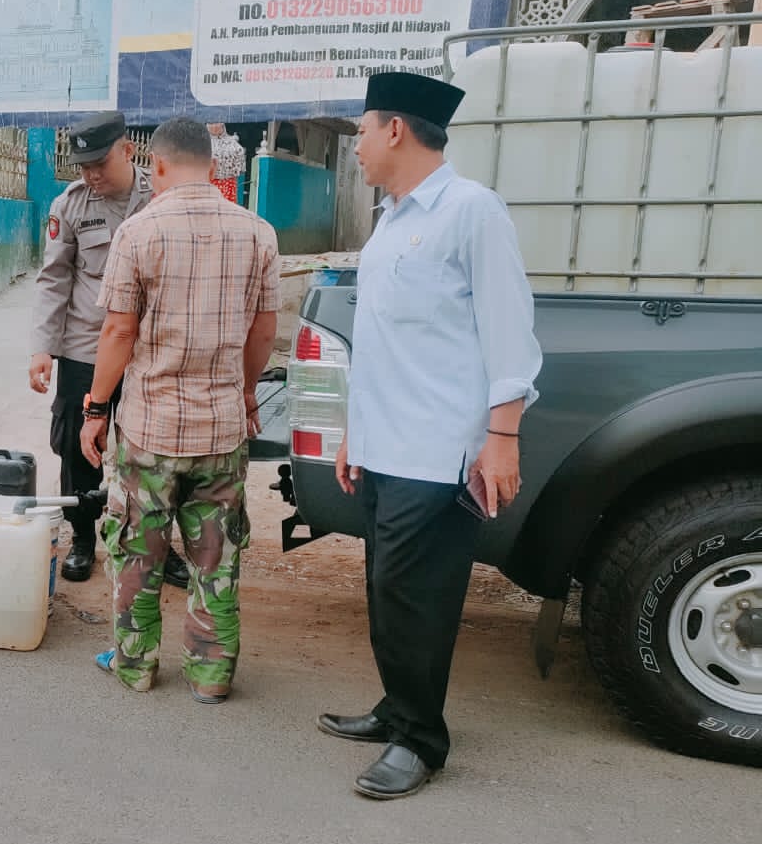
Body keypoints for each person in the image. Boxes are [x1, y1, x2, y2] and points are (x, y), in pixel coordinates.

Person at [320, 71, 543, 800]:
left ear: (395, 130)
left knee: (419, 599)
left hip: (438, 451)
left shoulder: (471, 211)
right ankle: (397, 708)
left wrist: (502, 437)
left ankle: (420, 741)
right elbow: (385, 342)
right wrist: (354, 434)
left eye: (361, 131)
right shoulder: (389, 219)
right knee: (386, 590)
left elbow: (510, 336)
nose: (357, 146)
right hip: (384, 445)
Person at [78, 117, 280, 702]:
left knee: (138, 551)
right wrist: (246, 391)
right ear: (212, 166)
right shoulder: (257, 233)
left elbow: (118, 331)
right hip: (222, 431)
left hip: (150, 430)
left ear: (157, 164)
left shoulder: (138, 233)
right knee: (216, 556)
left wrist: (96, 408)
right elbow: (264, 330)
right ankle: (211, 676)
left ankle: (136, 665)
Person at [30, 110, 187, 588]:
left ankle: (157, 544)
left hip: (150, 351)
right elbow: (54, 280)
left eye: (100, 163)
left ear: (128, 151)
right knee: (78, 449)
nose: (92, 175)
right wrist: (42, 348)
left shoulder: (164, 196)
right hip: (86, 348)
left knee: (153, 451)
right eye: (84, 167)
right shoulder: (70, 205)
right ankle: (82, 537)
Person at [207, 123, 246, 204]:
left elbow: (240, 167)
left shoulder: (233, 143)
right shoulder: (202, 143)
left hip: (228, 184)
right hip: (207, 184)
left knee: (227, 208)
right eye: (211, 123)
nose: (215, 126)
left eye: (218, 122)